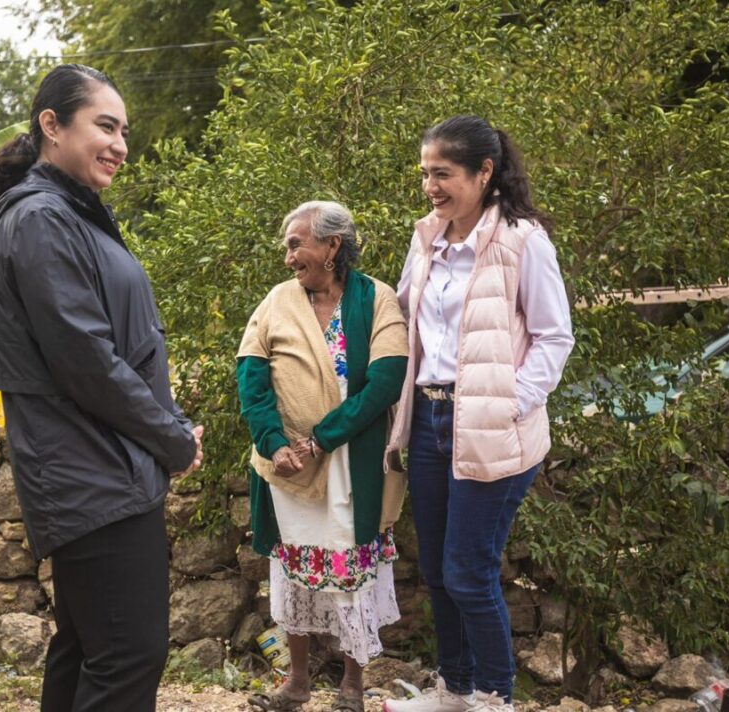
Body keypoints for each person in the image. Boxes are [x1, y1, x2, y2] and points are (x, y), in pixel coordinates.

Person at [0, 64, 203, 712]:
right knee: (128, 657)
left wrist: (168, 429)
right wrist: (173, 439)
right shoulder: (41, 219)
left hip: (103, 467)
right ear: (52, 125)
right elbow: (87, 361)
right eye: (105, 126)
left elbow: (114, 347)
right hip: (92, 472)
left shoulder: (68, 213)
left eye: (124, 131)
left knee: (89, 650)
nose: (120, 145)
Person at [383, 116, 575, 712]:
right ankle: (455, 690)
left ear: (484, 172)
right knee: (439, 572)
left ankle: (495, 698)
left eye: (442, 174)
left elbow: (554, 336)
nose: (430, 187)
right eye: (425, 174)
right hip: (429, 423)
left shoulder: (522, 241)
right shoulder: (427, 239)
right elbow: (403, 318)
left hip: (494, 429)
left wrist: (509, 404)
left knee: (469, 570)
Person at [238, 201, 408, 712]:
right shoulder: (277, 301)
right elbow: (251, 375)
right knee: (293, 568)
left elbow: (385, 382)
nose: (288, 258)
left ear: (333, 245)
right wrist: (273, 442)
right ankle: (297, 682)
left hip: (350, 463)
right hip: (289, 466)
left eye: (297, 245)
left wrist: (322, 439)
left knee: (351, 566)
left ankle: (352, 687)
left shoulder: (377, 299)